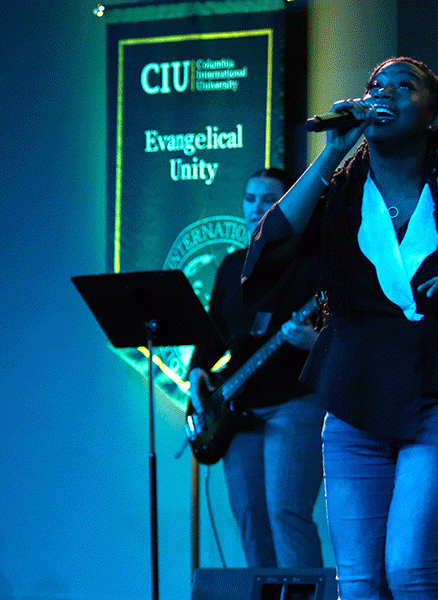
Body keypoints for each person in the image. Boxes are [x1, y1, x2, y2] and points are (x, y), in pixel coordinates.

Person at [241, 58, 438, 599]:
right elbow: (268, 252)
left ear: (436, 119)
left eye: (406, 86)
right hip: (355, 403)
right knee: (359, 584)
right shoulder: (339, 198)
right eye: (376, 85)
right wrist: (332, 153)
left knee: (410, 571)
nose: (385, 93)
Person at [187, 167, 325, 569]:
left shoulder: (313, 262)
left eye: (268, 200)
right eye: (250, 199)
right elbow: (214, 331)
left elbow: (343, 331)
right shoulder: (231, 265)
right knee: (250, 515)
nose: (256, 208)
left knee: (287, 513)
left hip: (296, 398)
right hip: (237, 407)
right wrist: (198, 369)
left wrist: (314, 341)